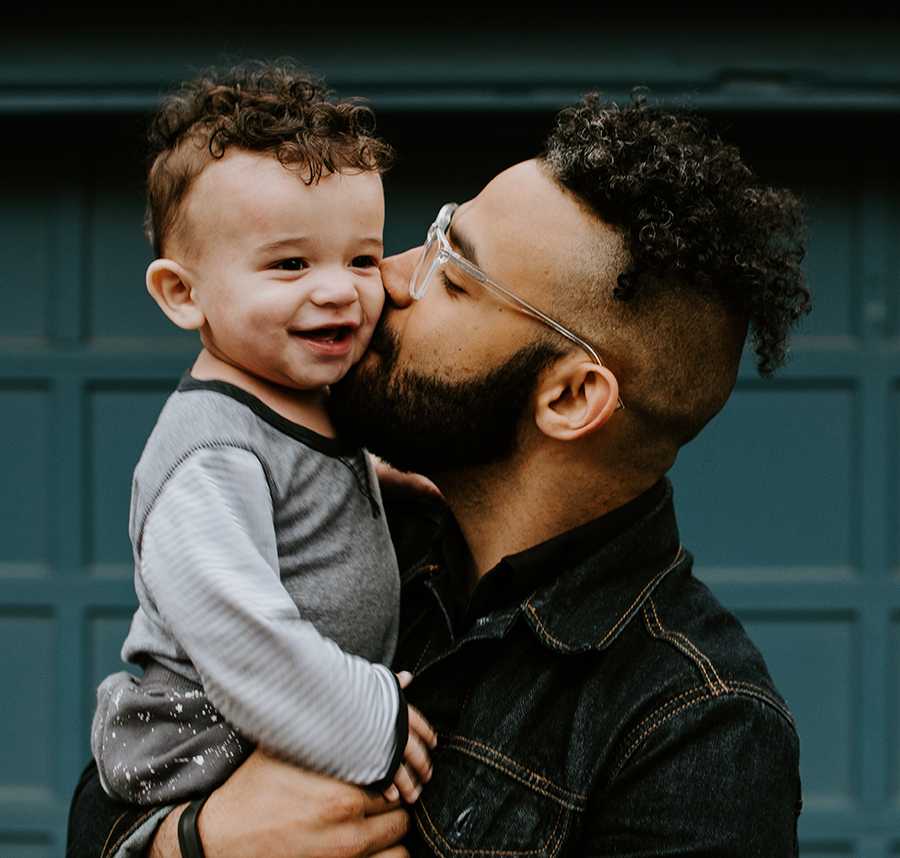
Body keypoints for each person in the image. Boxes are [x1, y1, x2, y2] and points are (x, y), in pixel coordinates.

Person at [68, 90, 809, 857]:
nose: (381, 280)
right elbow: (110, 790)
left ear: (570, 395)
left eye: (453, 277)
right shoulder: (348, 526)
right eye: (430, 241)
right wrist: (195, 843)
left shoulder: (696, 729)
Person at [87, 61, 436, 814]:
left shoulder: (305, 399)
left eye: (362, 259)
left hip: (284, 723)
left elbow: (302, 482)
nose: (339, 288)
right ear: (184, 294)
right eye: (290, 263)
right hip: (203, 743)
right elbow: (240, 632)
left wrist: (380, 480)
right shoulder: (210, 455)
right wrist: (368, 721)